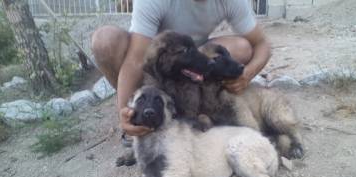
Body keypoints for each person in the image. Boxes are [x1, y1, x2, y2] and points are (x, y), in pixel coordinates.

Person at [91, 0, 272, 137]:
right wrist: (126, 111)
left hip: (194, 56)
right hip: (154, 62)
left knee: (242, 48)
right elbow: (136, 60)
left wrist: (247, 75)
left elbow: (262, 43)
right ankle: (139, 111)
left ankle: (200, 106)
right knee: (105, 40)